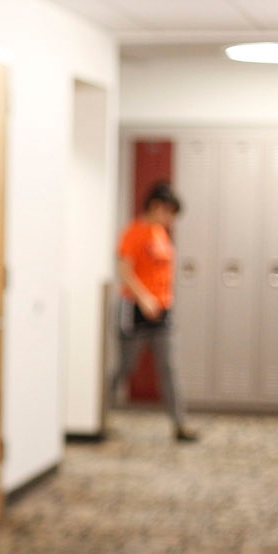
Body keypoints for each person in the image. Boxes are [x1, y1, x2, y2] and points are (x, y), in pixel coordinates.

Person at [109, 180, 197, 442]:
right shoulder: (133, 232)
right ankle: (99, 415)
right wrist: (144, 297)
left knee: (169, 368)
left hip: (162, 311)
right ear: (156, 206)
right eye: (169, 212)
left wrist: (160, 301)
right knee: (125, 367)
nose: (171, 219)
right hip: (135, 309)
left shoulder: (161, 234)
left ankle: (180, 425)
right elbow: (124, 270)